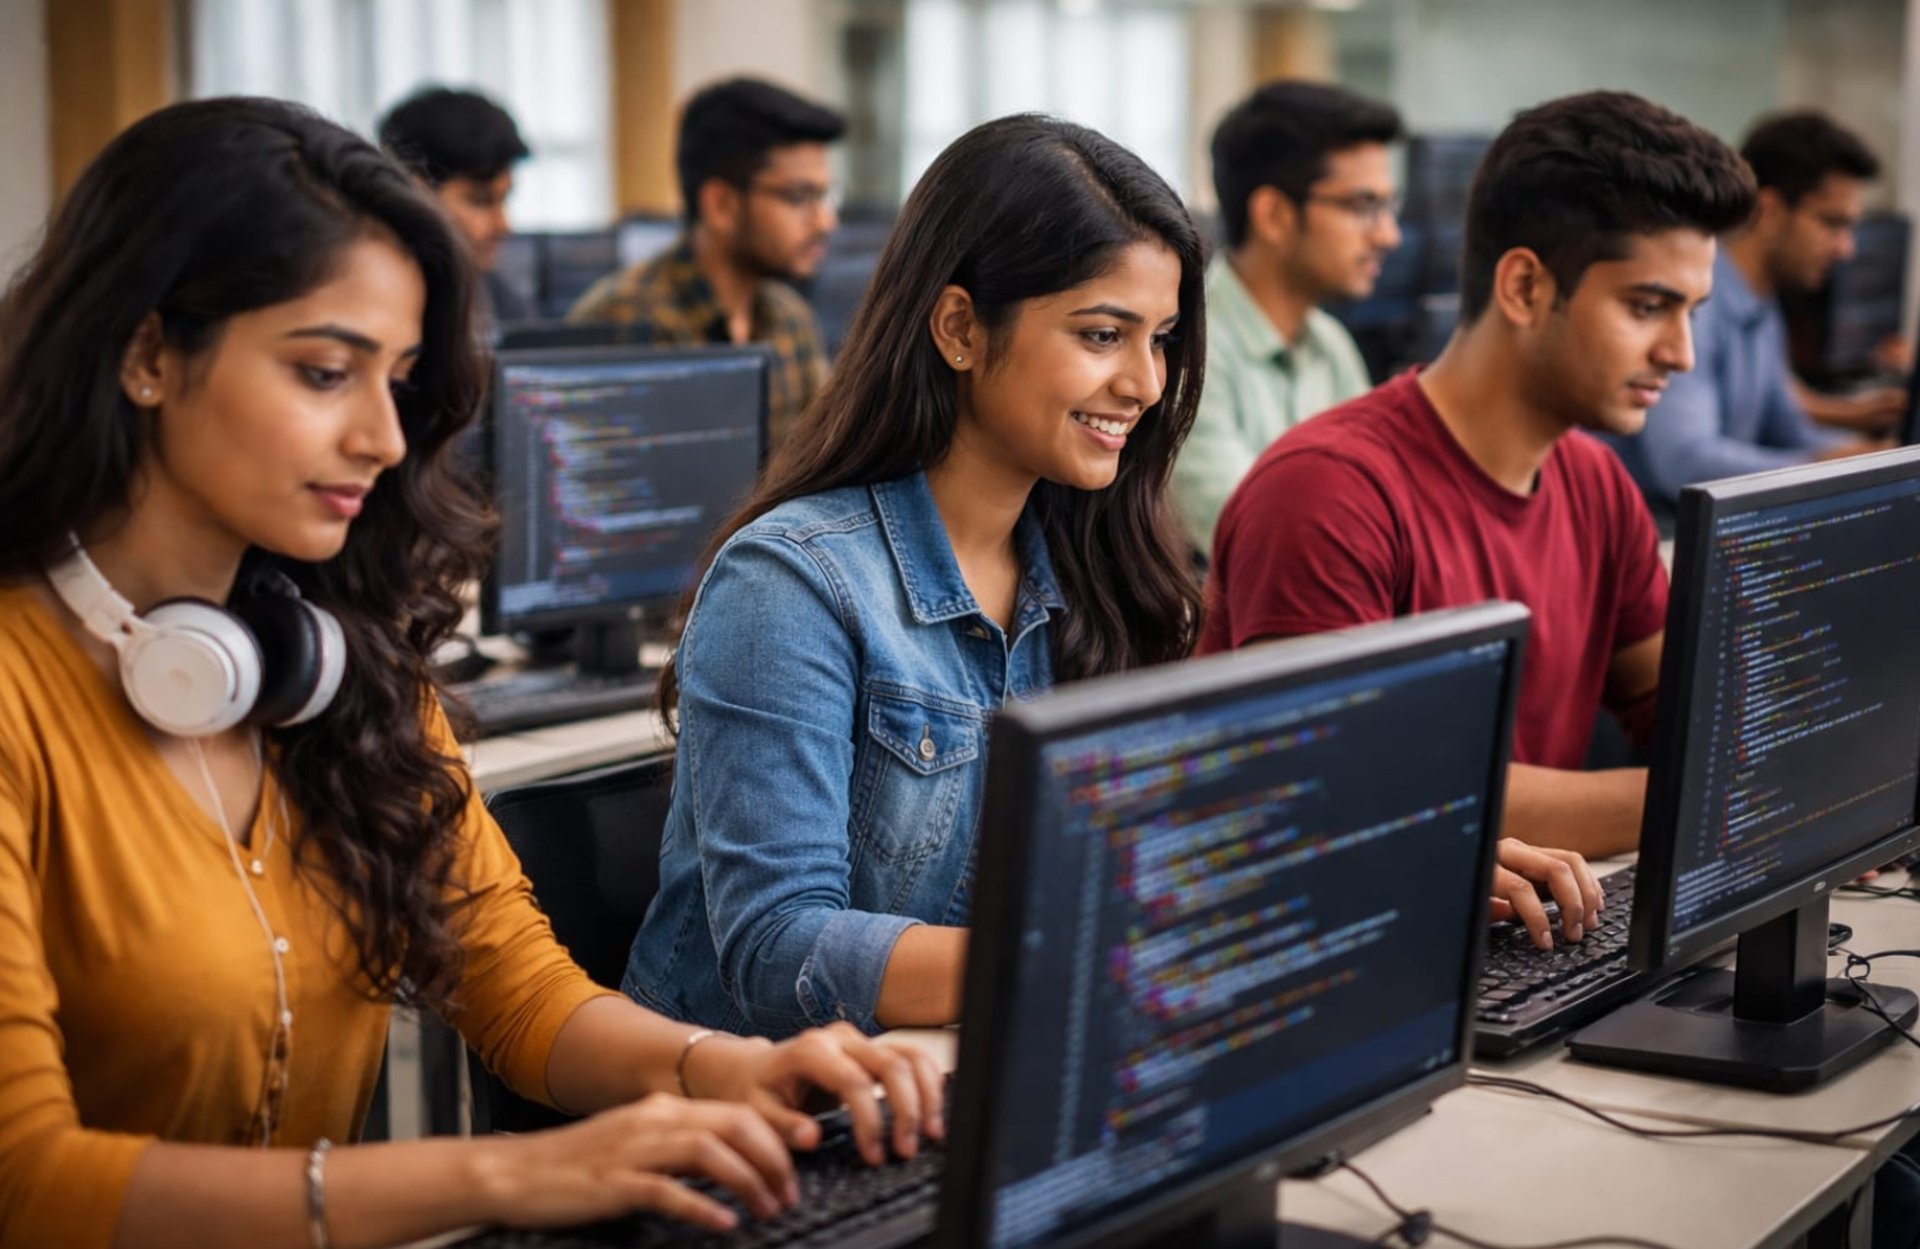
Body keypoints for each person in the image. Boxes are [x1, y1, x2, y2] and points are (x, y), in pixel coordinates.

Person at [0, 98, 944, 1249]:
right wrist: (507, 1177)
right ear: (148, 354)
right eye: (323, 372)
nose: (385, 439)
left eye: (397, 381)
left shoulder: (337, 664)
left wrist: (733, 1070)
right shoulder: (19, 690)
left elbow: (516, 990)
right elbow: (28, 1181)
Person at [622, 113, 1205, 1039]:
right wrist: (1090, 953)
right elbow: (780, 951)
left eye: (1161, 339)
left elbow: (1153, 854)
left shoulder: (1099, 569)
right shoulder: (791, 584)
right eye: (1103, 335)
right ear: (961, 328)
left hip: (972, 1072)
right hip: (759, 1120)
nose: (1146, 382)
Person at [1201, 91, 1757, 863]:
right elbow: (1351, 794)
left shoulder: (1596, 483)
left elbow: (1710, 723)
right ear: (1525, 287)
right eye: (1647, 306)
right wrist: (1710, 796)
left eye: (1690, 311)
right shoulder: (1325, 493)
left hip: (1520, 932)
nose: (1681, 352)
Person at [1610, 110, 1893, 511]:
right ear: (1771, 211)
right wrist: (1818, 467)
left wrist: (1878, 458)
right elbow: (1684, 464)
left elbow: (1787, 428)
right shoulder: (1694, 307)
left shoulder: (1760, 302)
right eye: (1832, 224)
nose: (1846, 248)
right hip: (1658, 529)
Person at [1171, 80, 1403, 554]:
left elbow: (1388, 505)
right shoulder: (1188, 347)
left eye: (1387, 206)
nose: (1388, 235)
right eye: (1363, 206)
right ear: (1274, 214)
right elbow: (1258, 536)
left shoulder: (1330, 343)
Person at [568, 78, 845, 451]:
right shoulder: (625, 319)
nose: (825, 222)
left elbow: (818, 467)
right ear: (721, 205)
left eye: (824, 196)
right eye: (799, 197)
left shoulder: (791, 318)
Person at [378, 85, 535, 326]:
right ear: (414, 192)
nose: (503, 225)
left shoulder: (489, 290)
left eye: (504, 200)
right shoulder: (376, 301)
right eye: (480, 201)